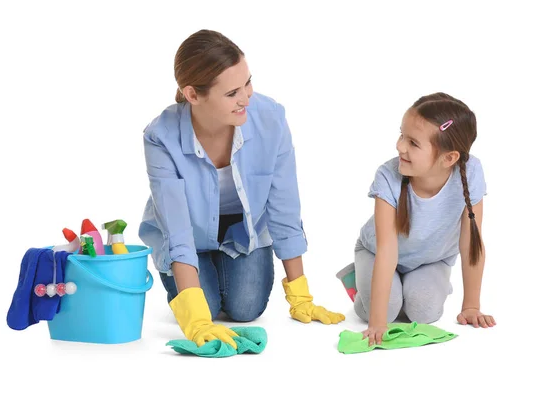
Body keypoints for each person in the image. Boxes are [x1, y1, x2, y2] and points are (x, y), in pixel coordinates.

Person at [138, 29, 344, 349]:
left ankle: (220, 270)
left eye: (248, 82)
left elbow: (283, 208)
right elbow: (177, 231)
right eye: (232, 92)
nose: (246, 98)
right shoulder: (160, 136)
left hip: (243, 231)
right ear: (193, 95)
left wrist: (300, 295)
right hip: (188, 236)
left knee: (245, 309)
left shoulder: (270, 118)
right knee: (203, 307)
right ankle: (201, 280)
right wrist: (197, 319)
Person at [340, 92, 495, 346]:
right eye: (402, 135)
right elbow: (387, 250)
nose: (400, 146)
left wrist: (471, 306)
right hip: (377, 252)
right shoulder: (387, 176)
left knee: (425, 312)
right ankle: (359, 280)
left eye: (413, 142)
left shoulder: (471, 172)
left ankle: (419, 286)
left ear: (449, 158)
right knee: (385, 311)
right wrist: (378, 322)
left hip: (431, 259)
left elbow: (471, 243)